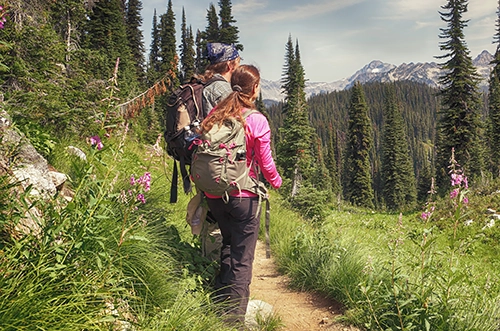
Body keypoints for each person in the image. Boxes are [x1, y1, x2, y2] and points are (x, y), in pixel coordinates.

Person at [200, 64, 282, 326]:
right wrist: (277, 183)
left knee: (228, 246)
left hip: (215, 195)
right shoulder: (256, 119)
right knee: (243, 260)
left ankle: (219, 308)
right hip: (244, 196)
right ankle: (233, 321)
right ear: (255, 88)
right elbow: (267, 164)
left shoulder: (217, 113)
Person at [198, 42, 241, 261]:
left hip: (205, 160)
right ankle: (218, 271)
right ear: (231, 64)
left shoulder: (207, 85)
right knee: (219, 218)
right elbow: (235, 126)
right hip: (221, 163)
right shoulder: (223, 90)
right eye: (238, 60)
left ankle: (207, 264)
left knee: (209, 214)